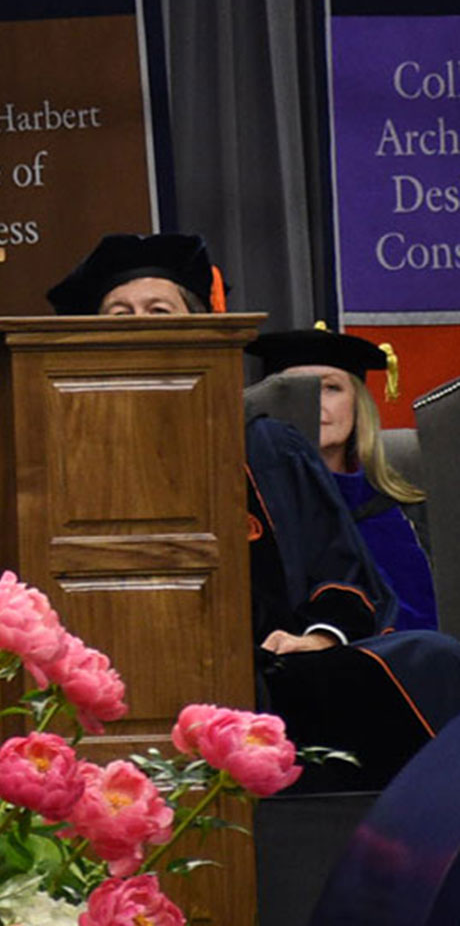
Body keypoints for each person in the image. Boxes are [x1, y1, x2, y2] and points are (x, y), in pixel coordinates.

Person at [48, 232, 460, 791]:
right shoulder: (64, 450)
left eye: (159, 310)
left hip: (270, 672)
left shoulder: (263, 446)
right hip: (125, 673)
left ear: (198, 329)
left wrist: (319, 636)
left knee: (430, 659)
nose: (138, 323)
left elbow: (340, 571)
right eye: (118, 314)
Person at [247, 327, 437, 633]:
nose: (314, 403)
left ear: (358, 404)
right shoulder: (252, 514)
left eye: (331, 388)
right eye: (298, 391)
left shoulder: (408, 511)